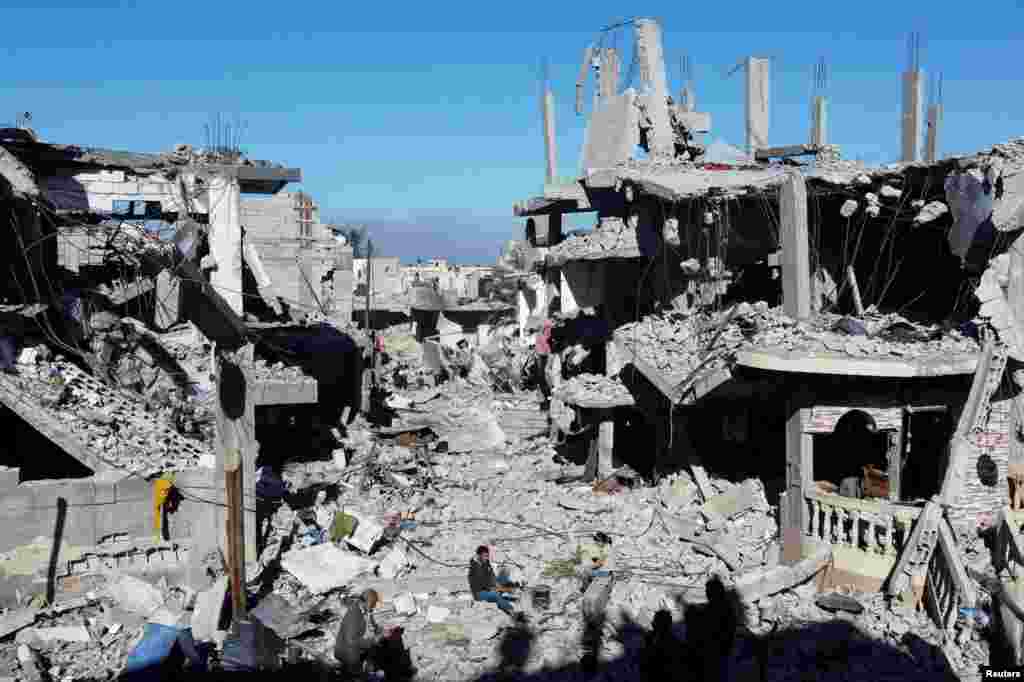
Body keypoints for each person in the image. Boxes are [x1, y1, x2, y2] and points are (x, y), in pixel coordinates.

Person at [333, 589, 383, 676]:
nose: (374, 606)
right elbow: (351, 640)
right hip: (347, 653)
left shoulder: (360, 609)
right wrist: (372, 641)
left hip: (352, 650)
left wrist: (376, 631)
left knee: (375, 653)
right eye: (373, 604)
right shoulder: (354, 614)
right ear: (367, 602)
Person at [468, 545, 517, 615]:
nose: (486, 557)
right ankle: (512, 612)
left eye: (487, 555)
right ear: (479, 556)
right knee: (496, 595)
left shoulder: (486, 564)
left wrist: (498, 585)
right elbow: (480, 584)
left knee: (504, 571)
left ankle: (511, 589)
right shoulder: (475, 567)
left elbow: (492, 577)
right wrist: (497, 588)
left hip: (490, 587)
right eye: (484, 556)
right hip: (480, 593)